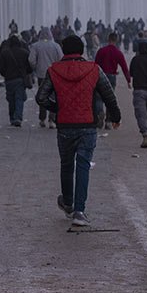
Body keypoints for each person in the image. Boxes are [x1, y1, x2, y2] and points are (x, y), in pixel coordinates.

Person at [36, 35, 120, 228]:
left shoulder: (53, 70)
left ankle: (67, 203)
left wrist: (58, 108)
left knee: (66, 164)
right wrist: (115, 117)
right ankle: (79, 212)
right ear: (82, 50)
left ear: (64, 50)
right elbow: (109, 95)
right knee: (83, 165)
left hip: (65, 126)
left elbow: (41, 97)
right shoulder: (93, 69)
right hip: (87, 125)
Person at [0, 29, 32, 126]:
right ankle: (18, 117)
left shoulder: (5, 53)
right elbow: (29, 67)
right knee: (19, 98)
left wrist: (5, 74)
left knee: (11, 99)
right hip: (20, 79)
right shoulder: (25, 53)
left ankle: (12, 117)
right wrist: (26, 73)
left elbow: (0, 67)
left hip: (9, 80)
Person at [27, 29, 63, 127]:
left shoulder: (35, 46)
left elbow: (31, 60)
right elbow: (61, 59)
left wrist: (36, 68)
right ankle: (52, 120)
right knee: (53, 96)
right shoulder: (56, 46)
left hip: (42, 75)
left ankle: (42, 119)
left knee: (42, 96)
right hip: (54, 74)